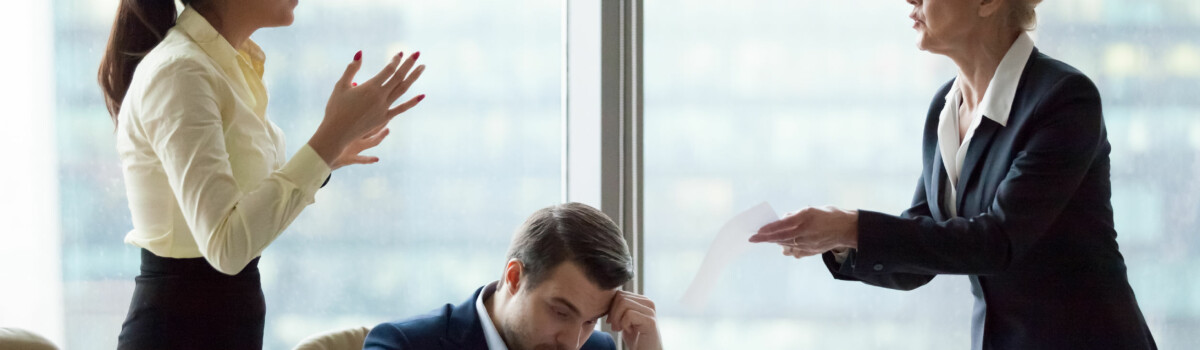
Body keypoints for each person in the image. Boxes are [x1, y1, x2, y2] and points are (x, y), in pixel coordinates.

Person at [748, 0, 1157, 348]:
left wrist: (853, 227)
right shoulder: (945, 108)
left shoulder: (1064, 99)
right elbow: (920, 250)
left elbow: (996, 241)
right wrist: (838, 238)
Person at [97, 0, 426, 348]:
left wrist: (328, 156)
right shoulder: (181, 72)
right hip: (179, 333)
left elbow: (249, 222)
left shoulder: (224, 66)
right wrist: (328, 138)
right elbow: (227, 248)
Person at [363, 203, 663, 350]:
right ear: (515, 277)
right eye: (560, 312)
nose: (572, 344)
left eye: (589, 321)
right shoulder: (402, 345)